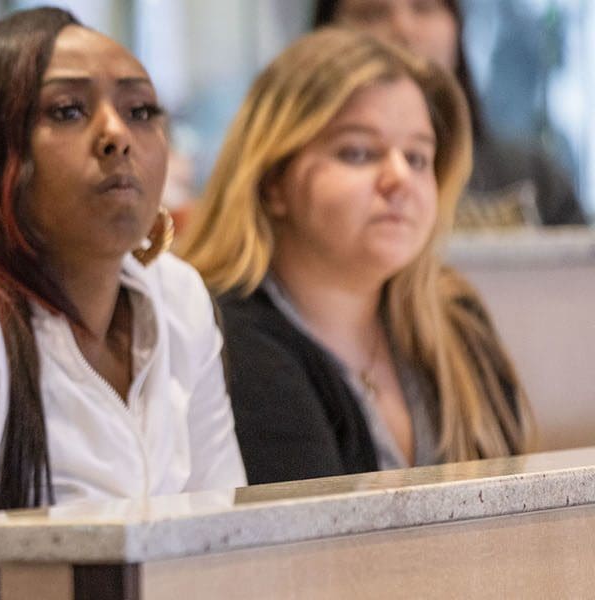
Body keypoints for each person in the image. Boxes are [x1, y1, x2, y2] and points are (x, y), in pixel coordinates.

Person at [0, 8, 245, 510]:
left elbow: (228, 534)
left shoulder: (177, 293)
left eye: (140, 110)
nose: (117, 135)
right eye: (68, 111)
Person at [182, 28, 534, 485]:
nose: (398, 179)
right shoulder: (226, 337)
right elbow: (314, 552)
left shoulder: (456, 320)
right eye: (358, 152)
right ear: (273, 183)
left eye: (418, 157)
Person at [313, 0, 586, 227]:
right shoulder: (304, 171)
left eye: (423, 7)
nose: (402, 30)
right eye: (371, 13)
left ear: (457, 25)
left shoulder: (532, 175)